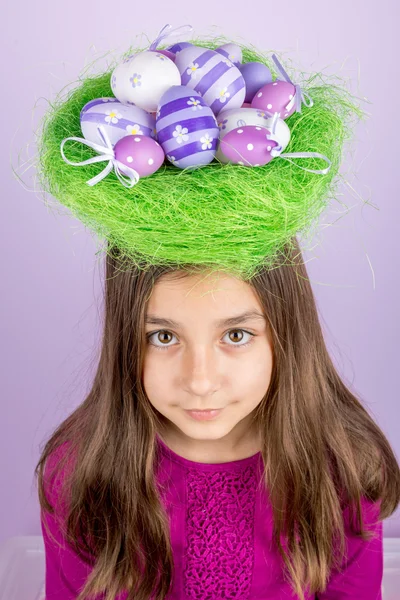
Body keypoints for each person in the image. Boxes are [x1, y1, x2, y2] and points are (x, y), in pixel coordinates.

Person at [30, 25, 400, 600]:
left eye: (235, 335)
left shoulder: (344, 472)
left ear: (286, 330)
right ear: (125, 333)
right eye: (162, 337)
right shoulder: (81, 478)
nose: (200, 380)